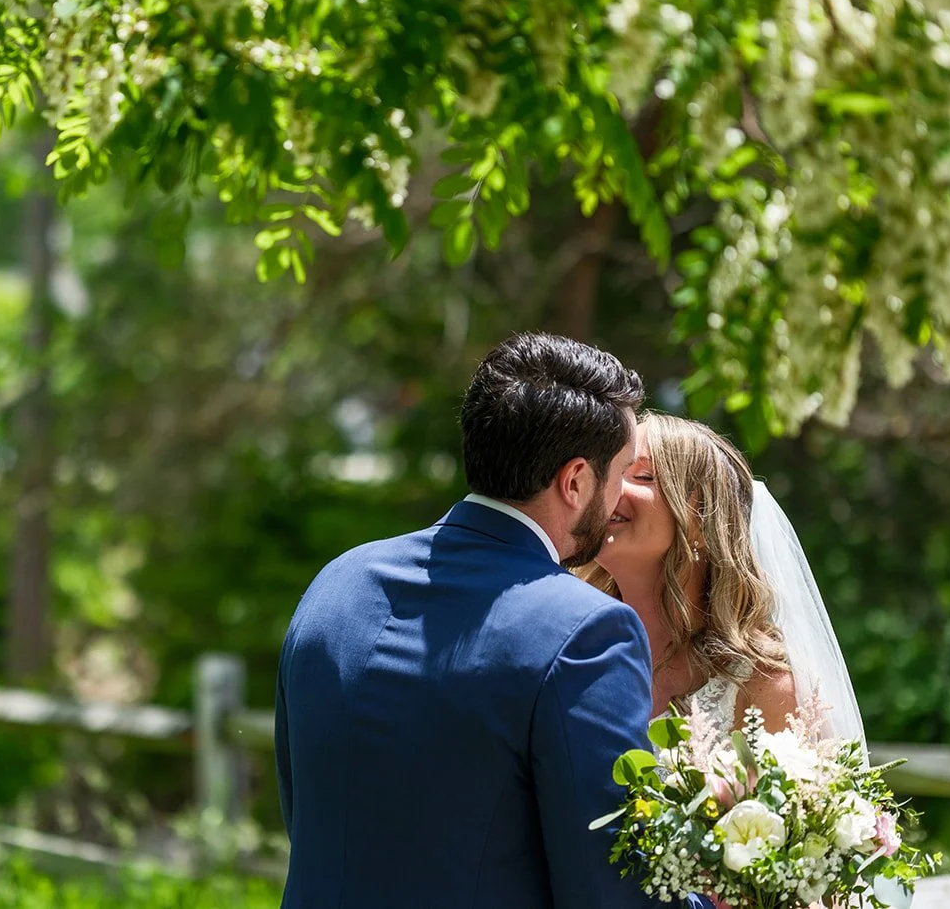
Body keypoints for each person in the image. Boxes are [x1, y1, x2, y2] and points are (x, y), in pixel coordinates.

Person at [275, 333, 709, 909]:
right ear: (576, 480)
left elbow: (304, 807)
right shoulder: (587, 632)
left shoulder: (336, 584)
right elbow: (610, 887)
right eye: (622, 471)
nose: (619, 496)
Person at [582, 412, 866, 745]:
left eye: (643, 476)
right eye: (613, 472)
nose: (609, 489)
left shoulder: (762, 688)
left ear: (703, 519)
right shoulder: (579, 655)